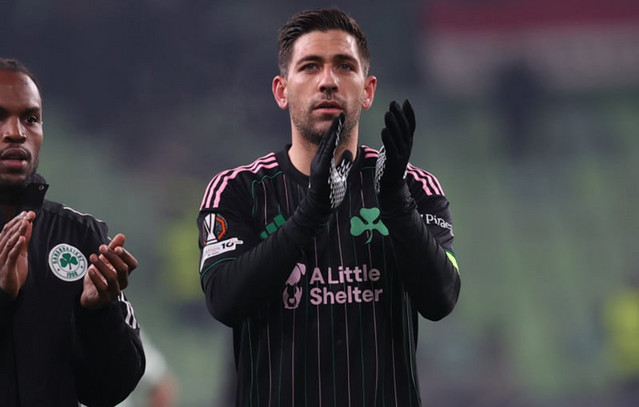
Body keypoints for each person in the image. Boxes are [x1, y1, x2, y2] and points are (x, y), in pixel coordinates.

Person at [197, 8, 460, 406]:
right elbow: (225, 300)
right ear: (281, 91)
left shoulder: (413, 187)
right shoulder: (236, 191)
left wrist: (395, 203)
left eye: (344, 66)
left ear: (368, 90)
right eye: (310, 66)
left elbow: (441, 299)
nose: (328, 81)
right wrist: (311, 213)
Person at [0, 58, 145, 406]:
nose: (16, 132)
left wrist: (98, 314)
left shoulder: (81, 236)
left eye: (30, 118)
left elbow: (109, 391)